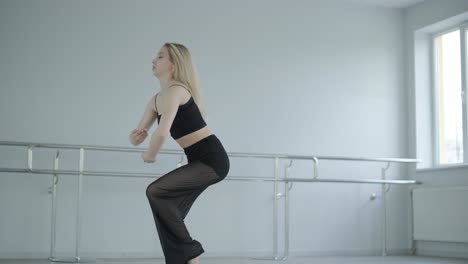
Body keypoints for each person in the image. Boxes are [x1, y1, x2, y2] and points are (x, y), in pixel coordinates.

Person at [128, 42, 230, 264]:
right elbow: (140, 132)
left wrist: (150, 155)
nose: (154, 60)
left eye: (160, 56)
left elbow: (161, 133)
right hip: (198, 160)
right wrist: (135, 138)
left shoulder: (178, 91)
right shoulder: (155, 100)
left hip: (213, 159)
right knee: (167, 208)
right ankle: (183, 260)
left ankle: (191, 254)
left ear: (174, 65)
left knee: (155, 191)